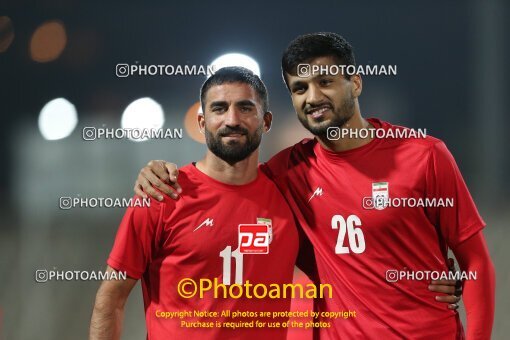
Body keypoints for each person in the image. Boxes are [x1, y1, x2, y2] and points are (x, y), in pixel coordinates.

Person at [135, 32, 495, 339]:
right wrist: (161, 172)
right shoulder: (287, 173)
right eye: (300, 88)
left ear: (354, 82)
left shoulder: (425, 156)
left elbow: (475, 260)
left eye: (325, 82)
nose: (312, 97)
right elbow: (223, 185)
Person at [90, 67, 300, 340]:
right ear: (202, 123)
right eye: (219, 108)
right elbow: (111, 297)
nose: (232, 119)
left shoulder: (290, 194)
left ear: (266, 121)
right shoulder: (161, 193)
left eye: (246, 108)